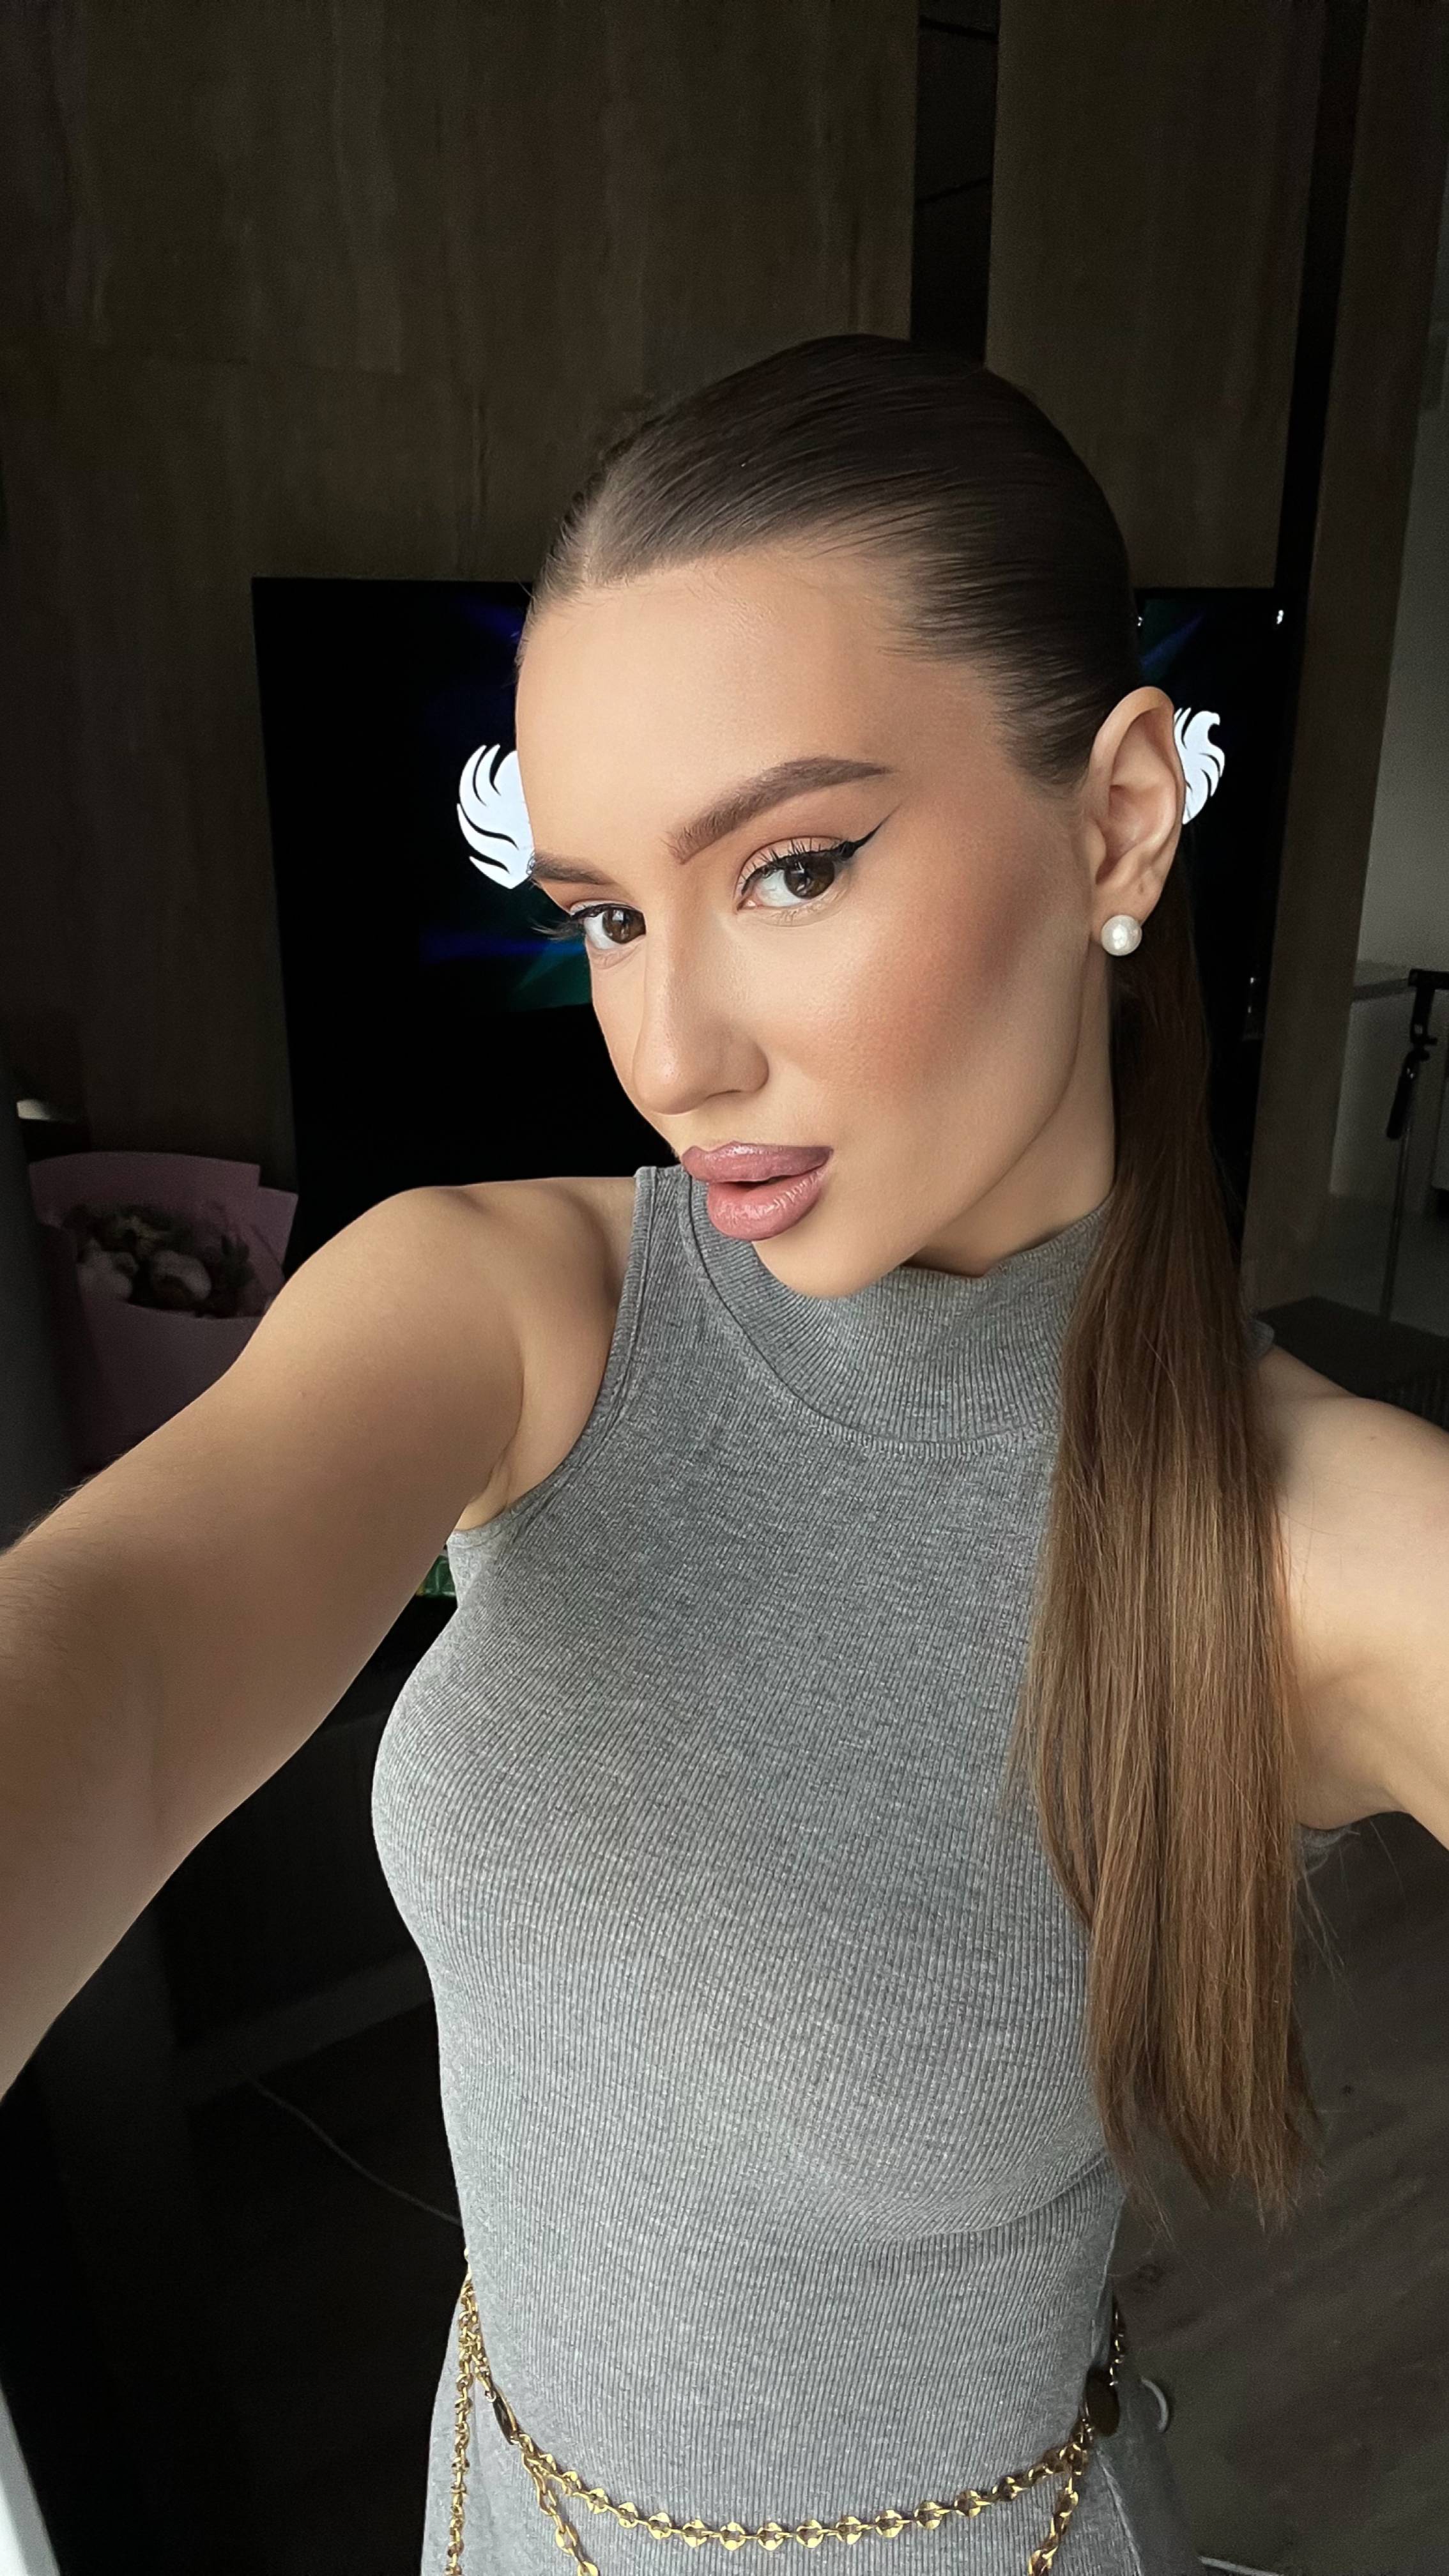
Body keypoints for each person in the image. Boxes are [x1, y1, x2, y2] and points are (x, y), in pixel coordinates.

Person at [2, 336, 1446, 2575]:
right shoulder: (499, 1302)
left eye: (790, 866)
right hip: (499, 2517)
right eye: (603, 913)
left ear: (1116, 818)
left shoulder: (1321, 1542)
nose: (665, 1050)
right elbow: (113, 1652)